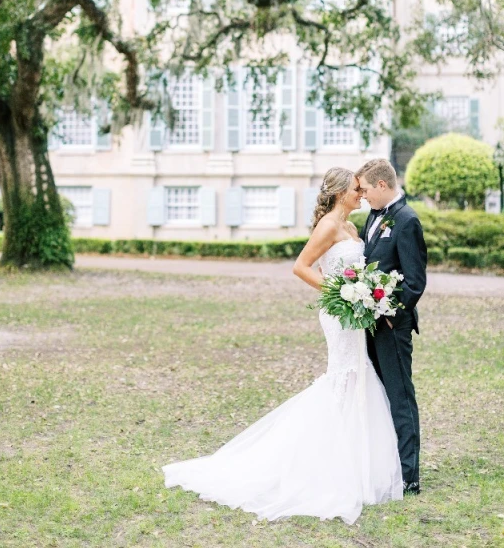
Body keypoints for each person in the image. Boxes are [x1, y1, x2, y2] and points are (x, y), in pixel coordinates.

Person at [162, 167, 403, 523]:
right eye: (355, 189)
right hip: (339, 315)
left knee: (357, 376)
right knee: (343, 375)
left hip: (355, 314)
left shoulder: (353, 226)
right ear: (340, 193)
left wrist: (363, 294)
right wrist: (342, 293)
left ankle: (354, 462)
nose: (361, 193)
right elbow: (302, 267)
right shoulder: (329, 227)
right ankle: (324, 464)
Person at [356, 158, 427, 496]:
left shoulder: (407, 221)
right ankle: (386, 465)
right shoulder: (373, 216)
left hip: (392, 326)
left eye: (366, 190)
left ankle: (409, 475)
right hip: (369, 324)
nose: (363, 196)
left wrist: (391, 312)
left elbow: (414, 281)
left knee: (400, 396)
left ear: (381, 186)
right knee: (378, 394)